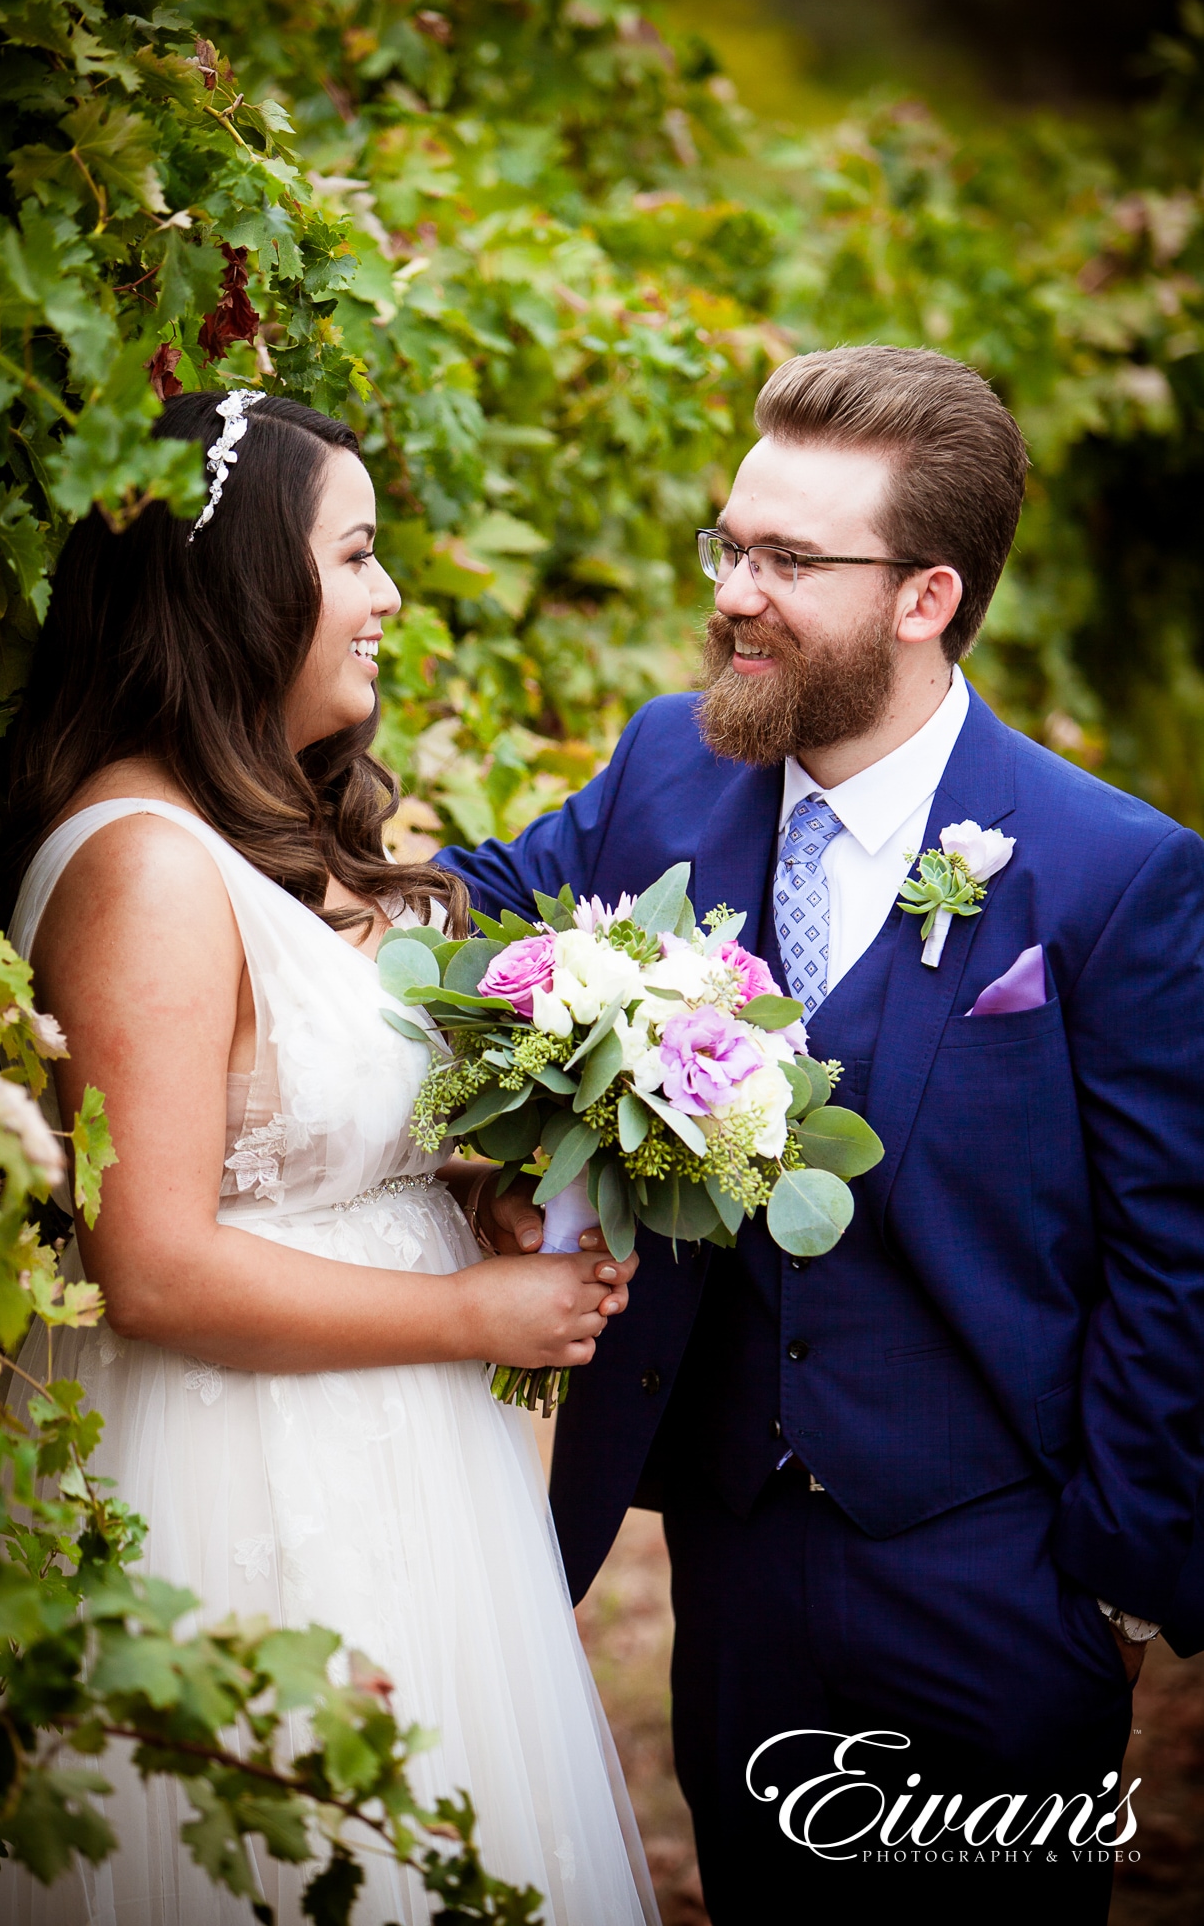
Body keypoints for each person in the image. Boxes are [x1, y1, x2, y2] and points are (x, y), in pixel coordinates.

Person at [437, 345, 1204, 1925]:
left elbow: (1174, 1254)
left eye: (789, 560)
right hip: (727, 1551)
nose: (735, 590)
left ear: (924, 598)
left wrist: (1107, 1587)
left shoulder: (1112, 873)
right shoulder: (668, 763)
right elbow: (482, 910)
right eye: (731, 543)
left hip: (994, 1580)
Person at [0, 391, 657, 1926]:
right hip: (250, 1480)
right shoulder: (141, 868)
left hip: (401, 1467)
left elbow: (303, 1140)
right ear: (240, 592)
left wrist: (474, 1191)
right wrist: (474, 1317)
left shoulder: (259, 832)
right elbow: (144, 1263)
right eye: (355, 556)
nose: (389, 596)